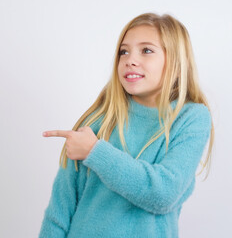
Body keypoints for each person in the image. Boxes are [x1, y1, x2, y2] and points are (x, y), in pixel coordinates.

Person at [39, 12, 214, 238]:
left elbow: (163, 194)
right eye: (124, 51)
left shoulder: (191, 118)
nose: (130, 59)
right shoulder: (99, 119)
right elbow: (59, 212)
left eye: (146, 50)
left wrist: (95, 151)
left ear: (176, 61)